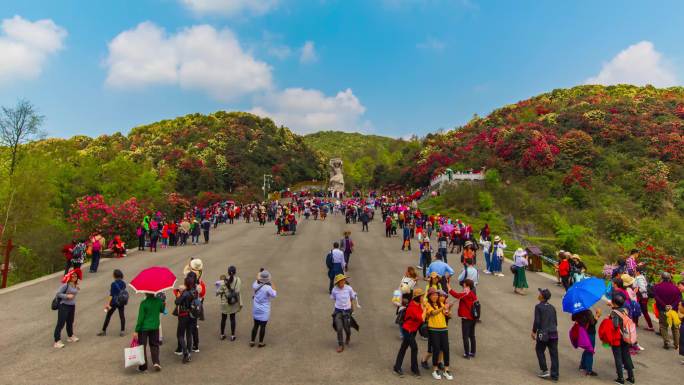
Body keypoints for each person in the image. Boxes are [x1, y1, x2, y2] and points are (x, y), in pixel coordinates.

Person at [393, 288, 425, 377]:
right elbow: (422, 318)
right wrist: (425, 308)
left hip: (413, 330)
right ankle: (414, 369)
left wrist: (423, 307)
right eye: (422, 296)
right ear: (418, 297)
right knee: (414, 347)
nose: (423, 298)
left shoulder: (418, 304)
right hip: (408, 330)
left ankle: (397, 367)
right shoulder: (412, 306)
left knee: (403, 347)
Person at [424, 287, 453, 380]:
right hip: (433, 329)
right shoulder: (428, 304)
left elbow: (447, 314)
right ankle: (435, 369)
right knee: (436, 349)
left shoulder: (440, 303)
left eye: (437, 294)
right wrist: (442, 308)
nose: (435, 296)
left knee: (446, 349)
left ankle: (446, 369)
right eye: (433, 295)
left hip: (443, 329)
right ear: (429, 296)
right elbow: (433, 313)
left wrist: (449, 310)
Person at [133, 292, 166, 372]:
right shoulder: (159, 301)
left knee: (142, 347)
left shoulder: (143, 303)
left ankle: (143, 367)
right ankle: (156, 362)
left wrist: (136, 330)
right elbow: (162, 310)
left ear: (146, 294)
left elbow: (140, 318)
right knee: (154, 345)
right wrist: (163, 303)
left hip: (144, 328)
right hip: (155, 327)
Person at [532, 288, 559, 382]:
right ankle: (555, 376)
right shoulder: (552, 307)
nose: (538, 294)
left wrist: (534, 331)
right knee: (554, 354)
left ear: (542, 297)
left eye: (540, 293)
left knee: (539, 350)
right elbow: (555, 322)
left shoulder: (538, 307)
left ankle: (544, 370)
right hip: (554, 333)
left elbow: (537, 321)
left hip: (544, 333)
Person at [609, 293, 635, 384]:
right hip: (626, 336)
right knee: (627, 356)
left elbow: (615, 325)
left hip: (618, 338)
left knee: (618, 357)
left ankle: (620, 378)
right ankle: (631, 377)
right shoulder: (625, 310)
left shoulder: (614, 313)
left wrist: (610, 319)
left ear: (614, 303)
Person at [448, 279, 478, 359]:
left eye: (464, 283)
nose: (462, 284)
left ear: (466, 285)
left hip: (466, 317)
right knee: (472, 335)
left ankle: (466, 353)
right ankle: (473, 352)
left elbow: (456, 295)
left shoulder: (466, 293)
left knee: (465, 336)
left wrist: (449, 288)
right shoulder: (472, 293)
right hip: (473, 317)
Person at [53, 269, 81, 348]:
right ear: (70, 277)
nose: (75, 277)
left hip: (72, 306)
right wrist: (67, 296)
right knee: (61, 323)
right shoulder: (66, 285)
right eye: (73, 276)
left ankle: (70, 336)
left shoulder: (75, 285)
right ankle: (57, 341)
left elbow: (73, 294)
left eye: (76, 276)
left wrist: (76, 290)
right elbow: (58, 293)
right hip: (64, 305)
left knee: (70, 322)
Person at [174, 274, 198, 363]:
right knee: (189, 334)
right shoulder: (195, 291)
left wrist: (179, 294)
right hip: (192, 314)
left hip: (183, 315)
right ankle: (189, 352)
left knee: (180, 335)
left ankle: (185, 353)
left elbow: (177, 302)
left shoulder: (185, 293)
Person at [653, 272, 681, 350]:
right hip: (673, 310)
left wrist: (664, 305)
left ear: (662, 278)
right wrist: (672, 305)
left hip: (663, 309)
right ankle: (677, 344)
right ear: (669, 278)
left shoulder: (657, 287)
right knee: (675, 327)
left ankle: (666, 341)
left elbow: (656, 297)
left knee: (663, 326)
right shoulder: (675, 288)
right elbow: (679, 298)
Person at [331, 274, 357, 352]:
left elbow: (352, 297)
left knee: (347, 328)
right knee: (339, 328)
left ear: (345, 281)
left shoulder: (349, 288)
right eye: (340, 281)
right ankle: (340, 345)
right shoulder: (334, 290)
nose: (342, 282)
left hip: (347, 312)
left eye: (343, 281)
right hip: (338, 311)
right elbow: (334, 298)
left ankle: (348, 336)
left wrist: (352, 307)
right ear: (337, 282)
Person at [251, 270, 277, 347]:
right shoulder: (268, 288)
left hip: (256, 308)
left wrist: (259, 274)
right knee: (263, 326)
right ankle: (260, 342)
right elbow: (274, 294)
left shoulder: (255, 284)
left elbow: (257, 279)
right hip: (264, 309)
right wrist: (272, 283)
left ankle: (252, 341)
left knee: (255, 325)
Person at [572, 308, 600, 376]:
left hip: (582, 332)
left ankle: (582, 365)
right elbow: (593, 323)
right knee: (590, 351)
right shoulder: (588, 312)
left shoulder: (576, 311)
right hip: (590, 333)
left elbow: (573, 318)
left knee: (587, 349)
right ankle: (589, 370)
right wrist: (597, 315)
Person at [98, 269, 127, 337]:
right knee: (122, 316)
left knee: (108, 316)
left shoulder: (113, 284)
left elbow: (111, 294)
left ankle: (103, 330)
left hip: (114, 302)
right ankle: (122, 331)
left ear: (114, 275)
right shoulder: (123, 283)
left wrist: (108, 303)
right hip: (121, 301)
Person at [217, 266, 242, 341]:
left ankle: (222, 335)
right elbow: (237, 291)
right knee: (232, 318)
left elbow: (218, 292)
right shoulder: (238, 280)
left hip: (225, 302)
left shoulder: (223, 281)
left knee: (223, 319)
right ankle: (232, 336)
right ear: (235, 272)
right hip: (233, 301)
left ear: (228, 272)